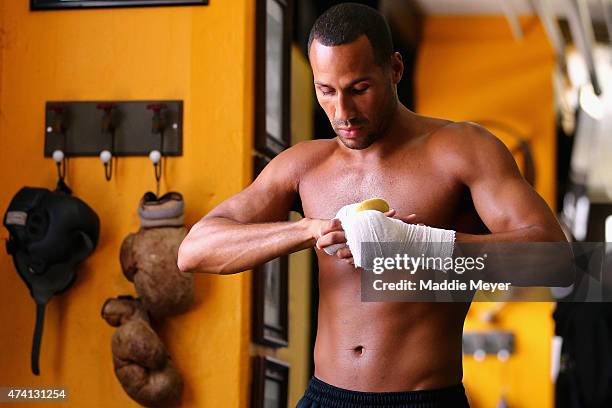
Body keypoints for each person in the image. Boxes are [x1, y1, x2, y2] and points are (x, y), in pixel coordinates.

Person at [177, 3, 566, 407]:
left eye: (359, 89)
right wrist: (309, 229)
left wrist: (416, 245)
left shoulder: (462, 150)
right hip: (324, 397)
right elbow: (195, 250)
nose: (342, 112)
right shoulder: (305, 165)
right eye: (326, 91)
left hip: (424, 401)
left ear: (395, 69)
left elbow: (554, 260)